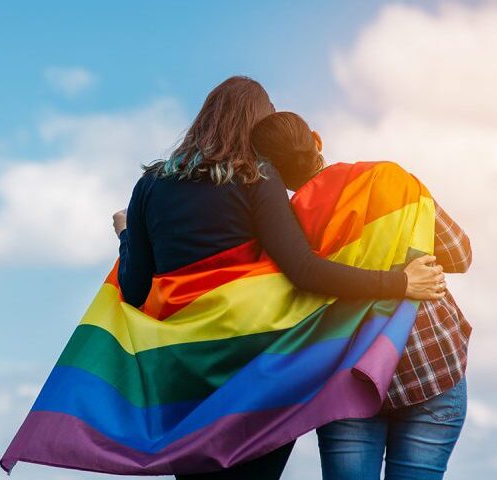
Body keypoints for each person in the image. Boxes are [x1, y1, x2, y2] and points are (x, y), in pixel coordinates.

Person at [111, 76, 447, 480]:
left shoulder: (149, 186)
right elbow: (303, 270)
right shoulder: (256, 175)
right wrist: (398, 283)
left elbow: (132, 290)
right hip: (257, 375)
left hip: (183, 381)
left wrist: (127, 235)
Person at [250, 111, 472, 480]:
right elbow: (461, 255)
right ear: (317, 140)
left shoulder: (286, 231)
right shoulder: (390, 179)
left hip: (348, 380)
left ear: (268, 171)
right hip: (431, 366)